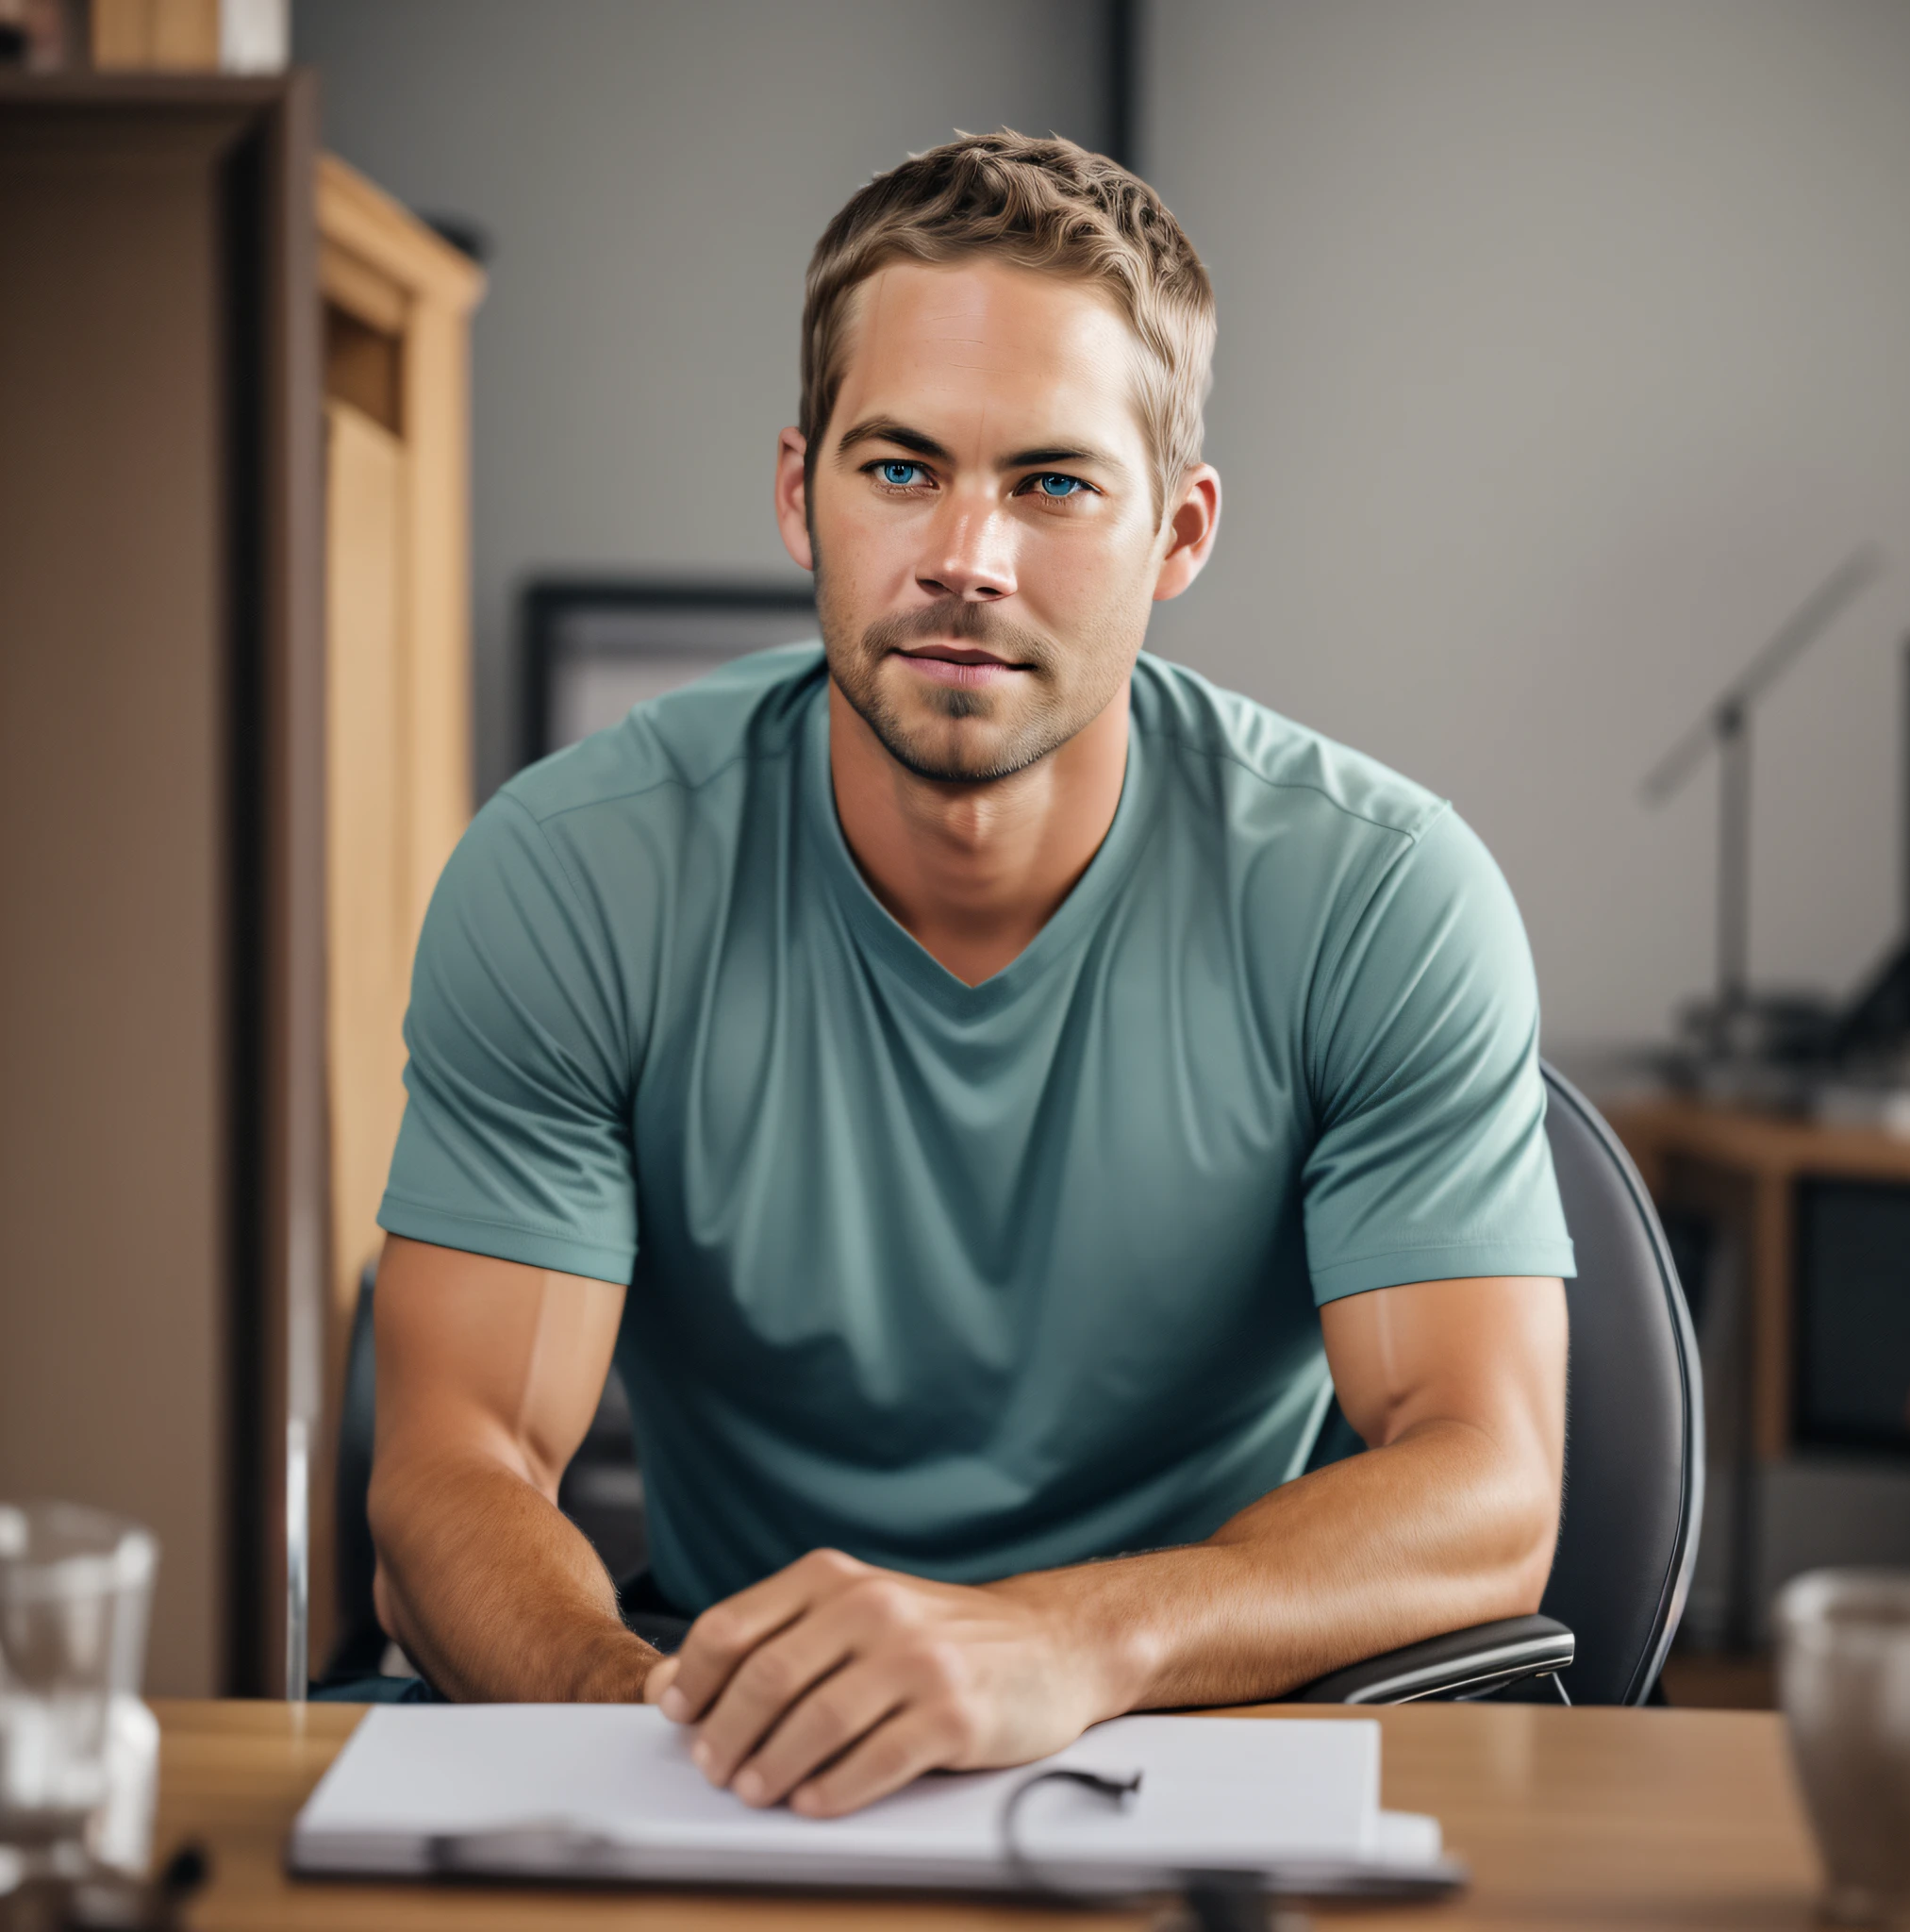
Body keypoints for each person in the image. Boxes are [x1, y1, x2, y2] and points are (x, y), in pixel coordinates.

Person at [366, 130, 1573, 1820]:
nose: (968, 558)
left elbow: (1486, 1482)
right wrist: (631, 1720)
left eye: (1056, 485)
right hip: (725, 1755)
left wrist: (1067, 1642)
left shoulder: (1382, 894)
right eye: (901, 468)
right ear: (801, 492)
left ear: (1181, 530)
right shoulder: (574, 875)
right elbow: (456, 1467)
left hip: (1203, 1748)